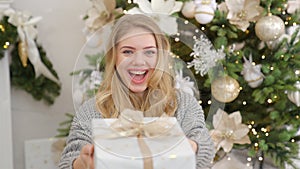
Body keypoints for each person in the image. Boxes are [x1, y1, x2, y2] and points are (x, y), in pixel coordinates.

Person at [59, 14, 215, 169]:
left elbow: (204, 147)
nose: (139, 61)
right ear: (114, 57)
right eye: (128, 52)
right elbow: (68, 160)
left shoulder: (183, 103)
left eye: (149, 52)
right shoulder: (93, 109)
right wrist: (83, 163)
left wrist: (189, 147)